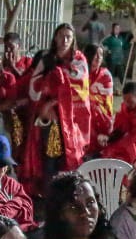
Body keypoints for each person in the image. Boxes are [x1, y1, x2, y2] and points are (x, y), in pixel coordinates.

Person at [19, 23, 94, 197]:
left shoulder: (80, 60)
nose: (65, 40)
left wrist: (52, 102)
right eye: (61, 35)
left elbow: (78, 88)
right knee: (49, 162)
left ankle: (71, 198)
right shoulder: (46, 59)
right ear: (55, 37)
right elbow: (34, 86)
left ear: (73, 39)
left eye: (68, 36)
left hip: (73, 122)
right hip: (50, 121)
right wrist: (48, 93)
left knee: (70, 162)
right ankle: (50, 200)